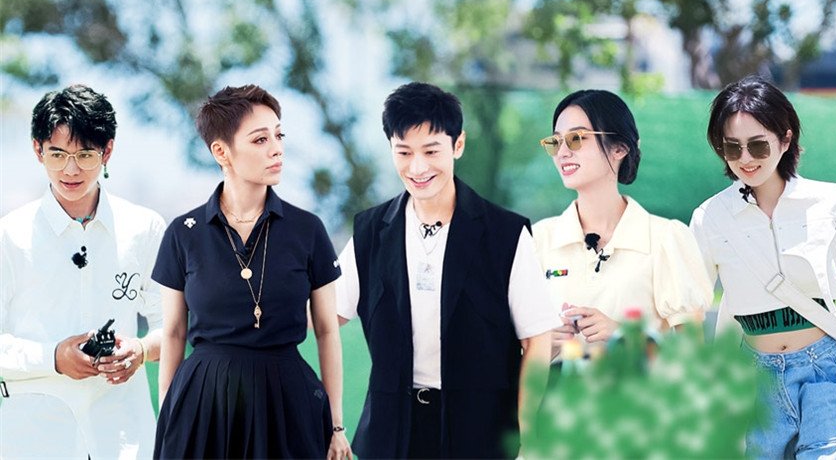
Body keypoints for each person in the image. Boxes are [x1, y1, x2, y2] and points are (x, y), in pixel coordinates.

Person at [336, 82, 560, 458]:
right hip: (391, 435)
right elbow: (325, 314)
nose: (417, 167)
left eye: (431, 151)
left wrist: (528, 435)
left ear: (458, 145)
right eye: (403, 152)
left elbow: (537, 338)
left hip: (480, 433)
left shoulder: (505, 234)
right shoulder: (370, 232)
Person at [152, 84, 351, 459]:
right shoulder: (183, 233)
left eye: (279, 136)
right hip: (203, 402)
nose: (276, 148)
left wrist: (337, 425)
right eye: (260, 139)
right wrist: (168, 414)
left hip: (287, 401)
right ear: (221, 152)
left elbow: (327, 331)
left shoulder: (307, 229)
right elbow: (175, 332)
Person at [690, 75, 836, 458]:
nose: (745, 158)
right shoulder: (709, 218)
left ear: (785, 140)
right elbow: (687, 307)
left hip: (827, 373)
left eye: (757, 144)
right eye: (732, 147)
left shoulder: (833, 202)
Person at [0, 85, 165, 458]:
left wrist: (139, 350)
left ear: (108, 151)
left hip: (124, 437)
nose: (70, 170)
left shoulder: (145, 228)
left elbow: (173, 326)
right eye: (57, 154)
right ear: (37, 149)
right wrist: (54, 357)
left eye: (85, 155)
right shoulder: (9, 235)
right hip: (32, 439)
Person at [531, 89, 712, 363]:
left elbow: (693, 358)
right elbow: (509, 355)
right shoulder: (538, 240)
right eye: (555, 142)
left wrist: (625, 336)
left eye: (576, 139)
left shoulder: (665, 239)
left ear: (619, 148)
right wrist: (544, 346)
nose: (563, 152)